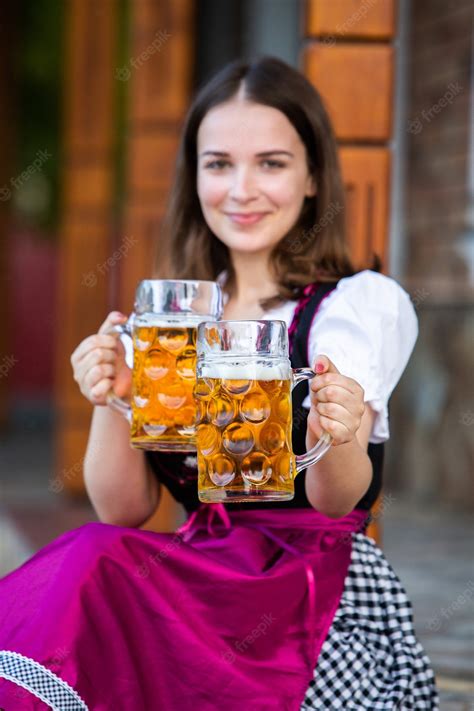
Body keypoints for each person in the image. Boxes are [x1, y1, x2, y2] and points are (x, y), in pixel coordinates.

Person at [0, 56, 438, 710]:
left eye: (271, 162)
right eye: (218, 164)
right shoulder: (169, 322)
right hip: (198, 578)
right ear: (194, 176)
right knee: (92, 556)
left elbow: (337, 499)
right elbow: (122, 510)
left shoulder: (355, 307)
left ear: (314, 176)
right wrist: (112, 398)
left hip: (308, 593)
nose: (241, 189)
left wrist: (336, 427)